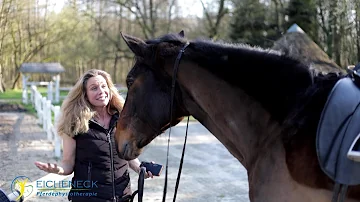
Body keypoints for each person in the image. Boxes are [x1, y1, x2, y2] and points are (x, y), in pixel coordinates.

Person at [35, 69, 154, 202]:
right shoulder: (75, 124)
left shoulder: (123, 119)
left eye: (104, 86)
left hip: (123, 197)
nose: (101, 91)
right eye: (94, 88)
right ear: (85, 95)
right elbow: (68, 163)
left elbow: (128, 154)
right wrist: (58, 169)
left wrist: (140, 168)